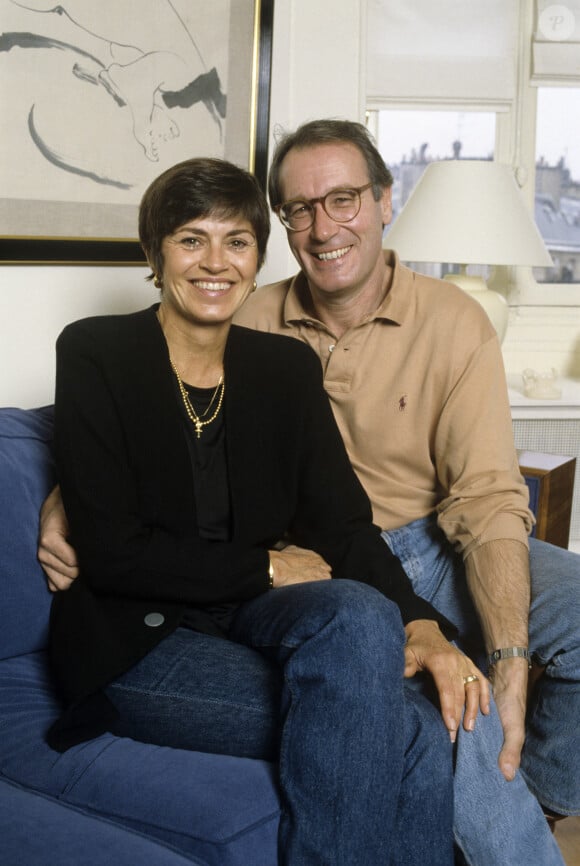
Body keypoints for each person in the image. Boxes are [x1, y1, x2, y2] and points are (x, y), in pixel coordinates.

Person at [38, 124, 576, 864]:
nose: (215, 262)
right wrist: (261, 567)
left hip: (254, 614)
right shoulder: (97, 350)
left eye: (237, 242)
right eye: (191, 240)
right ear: (153, 254)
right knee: (414, 727)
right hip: (143, 640)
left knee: (361, 612)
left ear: (259, 256)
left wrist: (421, 628)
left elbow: (344, 525)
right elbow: (113, 551)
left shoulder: (280, 366)